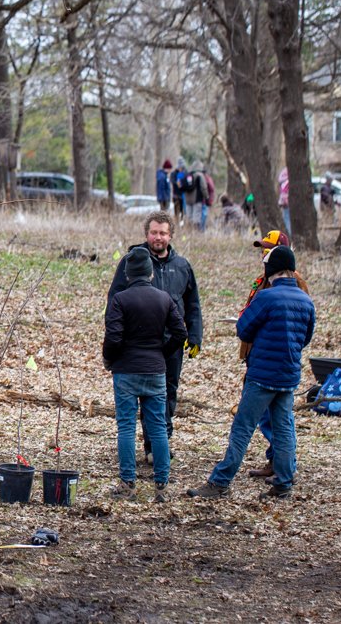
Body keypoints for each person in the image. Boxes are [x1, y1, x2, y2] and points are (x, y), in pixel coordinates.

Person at [188, 246, 315, 501]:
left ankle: (220, 481)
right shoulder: (306, 300)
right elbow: (306, 338)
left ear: (271, 270)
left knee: (242, 428)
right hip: (288, 375)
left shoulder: (266, 298)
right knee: (284, 429)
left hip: (262, 376)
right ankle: (284, 482)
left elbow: (244, 330)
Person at [108, 211, 201, 464]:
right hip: (137, 344)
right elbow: (113, 301)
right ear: (146, 233)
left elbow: (192, 304)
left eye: (162, 233)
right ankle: (150, 447)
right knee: (137, 398)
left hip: (172, 343)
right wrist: (115, 342)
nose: (158, 237)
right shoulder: (133, 262)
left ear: (170, 235)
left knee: (168, 392)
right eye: (153, 232)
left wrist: (194, 337)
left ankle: (158, 444)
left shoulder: (182, 266)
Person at [103, 247, 187, 502]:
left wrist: (111, 359)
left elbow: (113, 337)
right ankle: (162, 486)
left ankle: (128, 485)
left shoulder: (120, 300)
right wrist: (162, 352)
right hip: (155, 371)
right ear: (150, 274)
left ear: (128, 275)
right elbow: (181, 334)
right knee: (158, 428)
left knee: (126, 427)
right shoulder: (164, 299)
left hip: (126, 371)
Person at [242, 231, 310, 481]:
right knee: (268, 417)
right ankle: (277, 461)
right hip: (258, 354)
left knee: (276, 419)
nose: (263, 253)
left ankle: (285, 465)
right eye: (262, 249)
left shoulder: (295, 283)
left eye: (268, 249)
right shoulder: (262, 280)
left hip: (278, 361)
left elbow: (300, 323)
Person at [278, 167, 291, 235]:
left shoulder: (283, 182)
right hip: (288, 203)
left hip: (284, 203)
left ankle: (287, 233)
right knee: (287, 219)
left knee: (286, 218)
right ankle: (289, 234)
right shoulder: (288, 182)